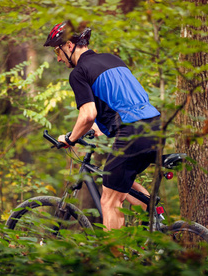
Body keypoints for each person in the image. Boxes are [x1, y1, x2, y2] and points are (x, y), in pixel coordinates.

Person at [43, 21, 161, 231]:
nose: (58, 58)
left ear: (70, 45)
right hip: (155, 125)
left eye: (58, 51)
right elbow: (120, 100)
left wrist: (70, 139)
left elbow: (88, 114)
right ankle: (157, 231)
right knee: (118, 181)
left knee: (109, 201)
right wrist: (98, 126)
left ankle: (114, 262)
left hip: (131, 131)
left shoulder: (79, 73)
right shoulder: (112, 59)